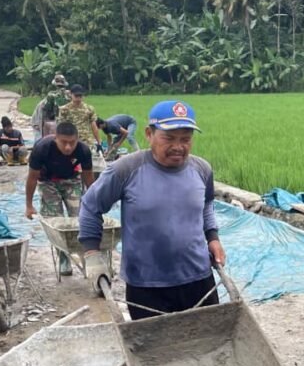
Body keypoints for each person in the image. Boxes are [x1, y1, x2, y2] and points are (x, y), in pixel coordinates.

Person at [78, 100, 226, 320]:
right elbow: (90, 205)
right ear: (149, 134)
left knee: (208, 337)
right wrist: (92, 253)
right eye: (169, 138)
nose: (178, 146)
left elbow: (206, 205)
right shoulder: (125, 170)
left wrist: (212, 237)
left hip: (198, 278)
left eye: (185, 139)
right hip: (146, 284)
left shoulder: (202, 169)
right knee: (154, 342)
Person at [25, 121, 96, 276]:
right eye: (64, 142)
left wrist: (94, 202)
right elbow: (32, 178)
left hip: (71, 180)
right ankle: (63, 257)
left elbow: (88, 177)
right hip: (47, 182)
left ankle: (83, 254)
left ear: (77, 139)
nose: (68, 147)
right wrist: (29, 206)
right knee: (55, 221)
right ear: (55, 138)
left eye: (72, 143)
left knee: (79, 218)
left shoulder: (83, 150)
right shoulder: (42, 148)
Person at [58, 84, 98, 149]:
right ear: (70, 94)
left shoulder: (89, 109)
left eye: (80, 96)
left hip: (87, 142)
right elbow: (61, 127)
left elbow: (94, 126)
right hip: (71, 141)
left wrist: (99, 142)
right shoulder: (64, 109)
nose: (78, 98)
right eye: (76, 96)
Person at [38, 73, 71, 138]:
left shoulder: (51, 95)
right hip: (70, 121)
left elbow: (47, 108)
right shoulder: (70, 94)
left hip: (57, 121)